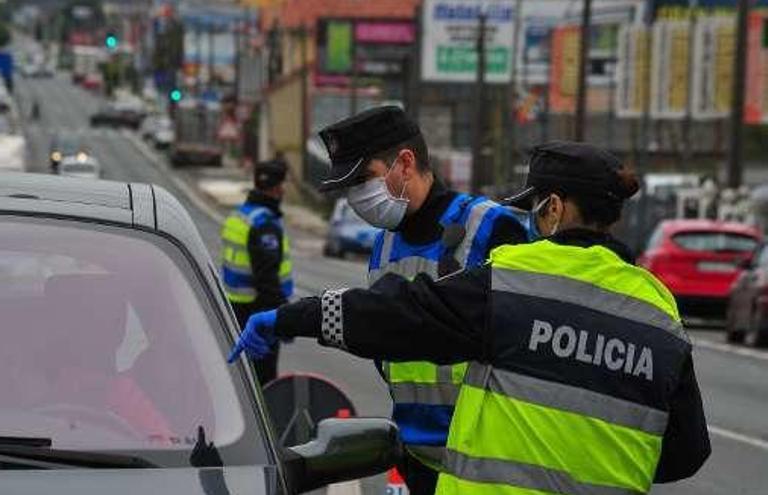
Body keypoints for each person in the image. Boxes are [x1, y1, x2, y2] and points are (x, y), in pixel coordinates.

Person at [230, 141, 711, 494]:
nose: (532, 222)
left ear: (556, 208)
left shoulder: (513, 282)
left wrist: (287, 320)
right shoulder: (656, 306)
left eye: (536, 210)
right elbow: (686, 451)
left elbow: (398, 314)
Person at [315, 106, 526, 494]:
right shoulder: (384, 243)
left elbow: (521, 351)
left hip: (485, 470)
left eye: (364, 179)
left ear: (405, 163)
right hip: (418, 463)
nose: (356, 196)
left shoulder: (491, 226)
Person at [221, 158, 293, 385]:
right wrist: (286, 318)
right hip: (260, 312)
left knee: (242, 379)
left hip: (235, 308)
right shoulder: (264, 224)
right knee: (264, 381)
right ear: (278, 188)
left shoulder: (239, 215)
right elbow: (267, 278)